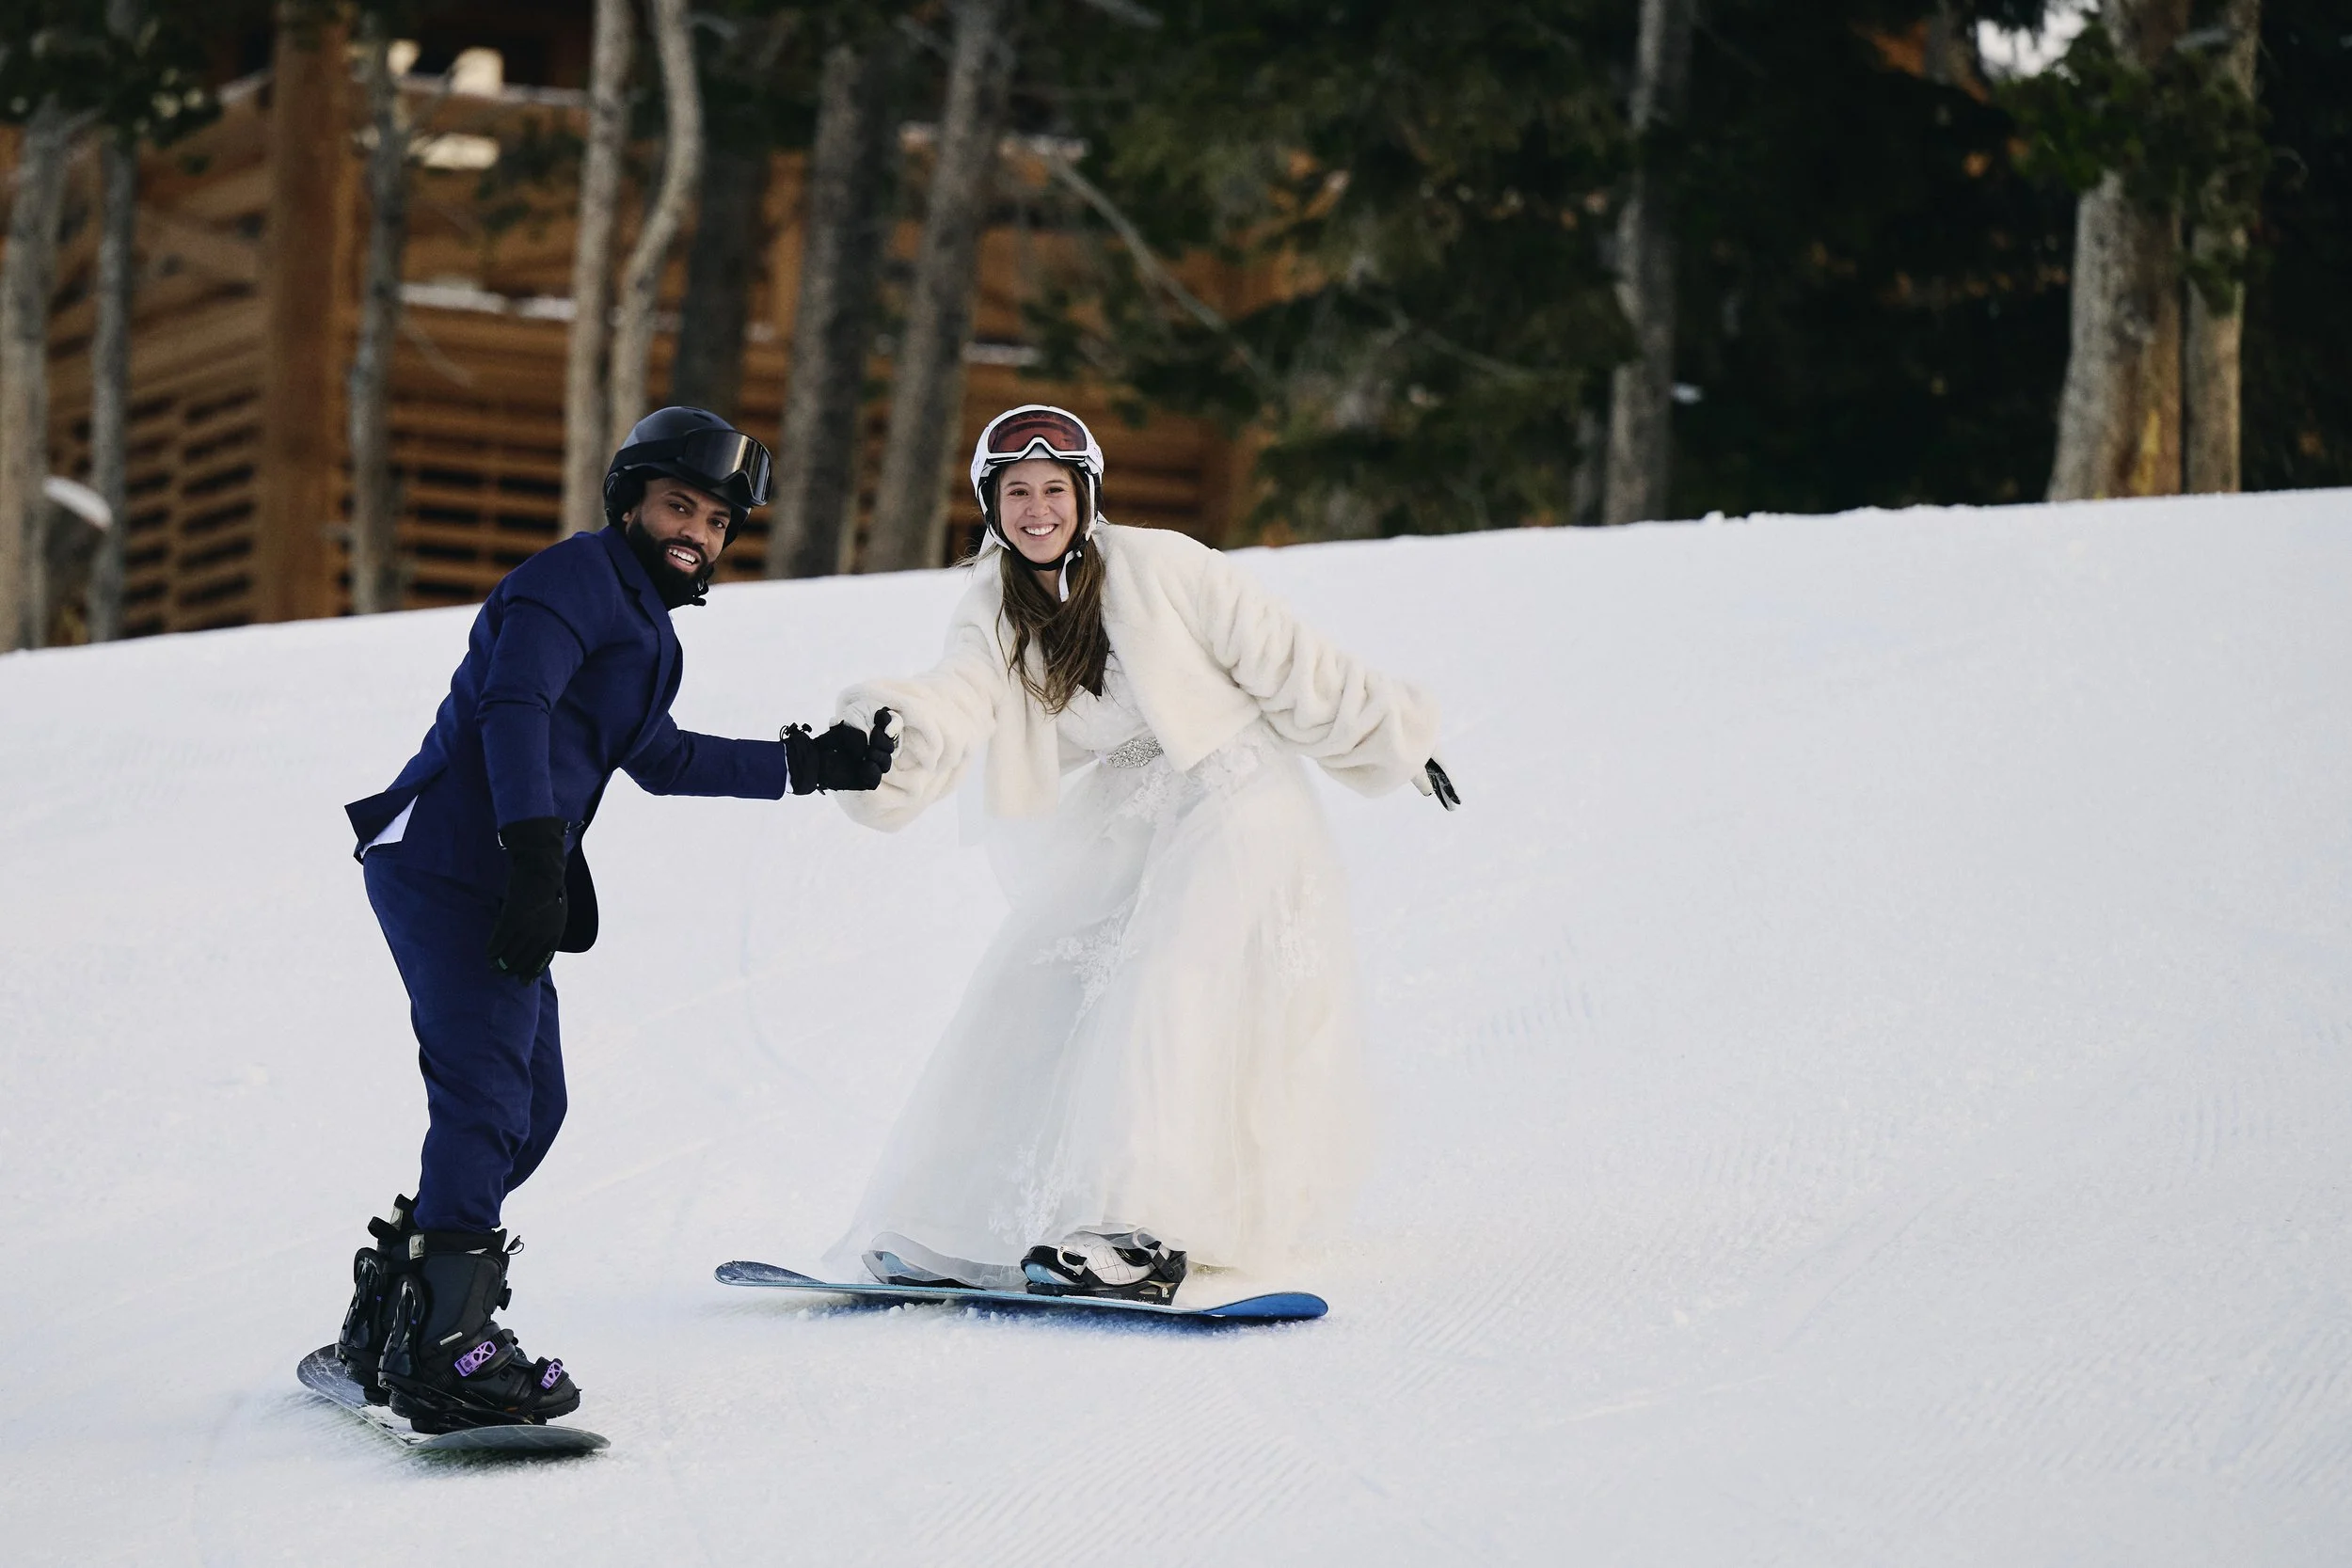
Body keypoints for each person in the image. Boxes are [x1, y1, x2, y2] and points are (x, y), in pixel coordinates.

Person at [332, 407, 895, 1432]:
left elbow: (664, 757)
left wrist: (810, 762)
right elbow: (514, 706)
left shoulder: (643, 627)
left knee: (528, 1107)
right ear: (629, 501)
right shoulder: (572, 580)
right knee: (490, 1097)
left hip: (491, 872)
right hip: (453, 862)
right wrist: (533, 849)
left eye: (718, 520)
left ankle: (395, 1316)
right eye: (679, 504)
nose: (698, 531)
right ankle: (449, 1347)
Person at [826, 404, 1457, 1303]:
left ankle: (1137, 1228)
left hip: (1238, 788)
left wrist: (1394, 737)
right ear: (990, 506)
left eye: (1054, 489)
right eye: (1017, 492)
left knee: (1166, 974)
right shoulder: (992, 610)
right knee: (1032, 977)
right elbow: (958, 700)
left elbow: (1287, 659)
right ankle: (966, 1225)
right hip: (1137, 802)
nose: (1037, 508)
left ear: (1085, 497)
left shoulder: (1163, 565)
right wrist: (894, 735)